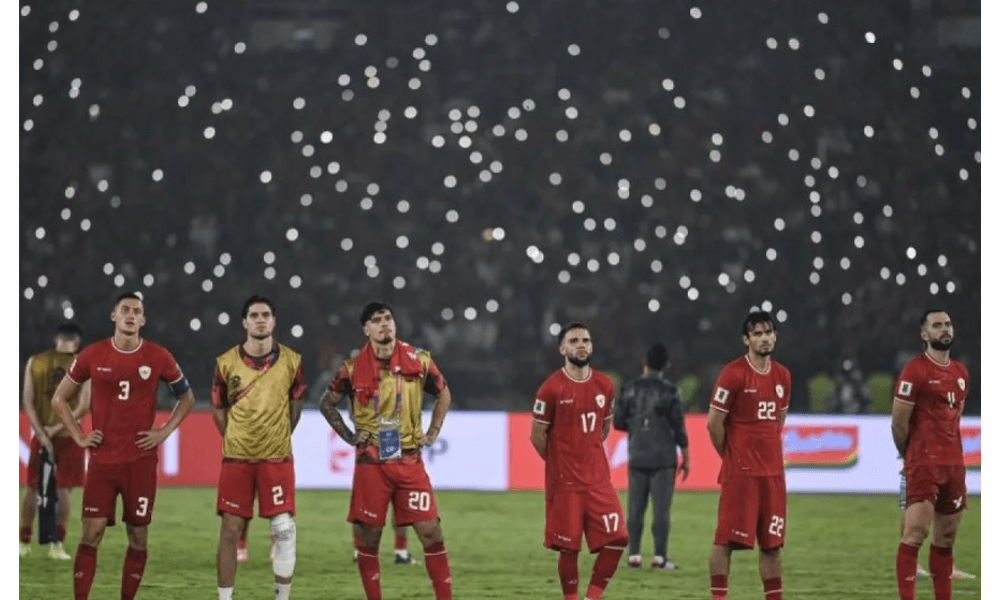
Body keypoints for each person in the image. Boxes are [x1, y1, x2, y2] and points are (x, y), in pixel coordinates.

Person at [50, 292, 195, 600]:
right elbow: (59, 399)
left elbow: (187, 397)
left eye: (137, 311)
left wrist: (164, 431)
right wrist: (79, 435)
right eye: (125, 310)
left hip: (140, 462)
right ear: (114, 316)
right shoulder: (92, 354)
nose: (131, 315)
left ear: (143, 320)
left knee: (138, 537)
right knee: (92, 532)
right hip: (102, 462)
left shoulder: (158, 356)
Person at [319, 301, 454, 600]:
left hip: (409, 462)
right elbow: (326, 403)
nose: (385, 324)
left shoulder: (418, 360)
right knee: (369, 539)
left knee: (431, 532)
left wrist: (432, 432)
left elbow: (444, 392)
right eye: (377, 320)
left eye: (388, 318)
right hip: (372, 463)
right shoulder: (351, 370)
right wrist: (350, 436)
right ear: (367, 330)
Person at [212, 295, 306, 600]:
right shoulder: (225, 363)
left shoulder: (293, 361)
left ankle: (282, 597)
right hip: (237, 459)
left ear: (274, 320)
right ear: (245, 322)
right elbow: (218, 408)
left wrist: (278, 435)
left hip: (276, 458)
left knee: (283, 529)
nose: (260, 319)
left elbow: (296, 405)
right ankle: (225, 598)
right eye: (254, 315)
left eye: (266, 314)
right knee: (230, 530)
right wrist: (236, 437)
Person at [530, 321, 628, 600]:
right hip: (566, 483)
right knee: (569, 548)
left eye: (585, 340)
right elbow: (537, 436)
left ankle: (592, 596)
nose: (581, 345)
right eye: (573, 341)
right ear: (562, 348)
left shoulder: (604, 384)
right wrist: (560, 463)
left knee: (618, 539)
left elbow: (604, 428)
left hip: (598, 480)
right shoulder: (551, 388)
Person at [706, 310, 791, 600]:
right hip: (741, 474)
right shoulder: (733, 373)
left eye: (768, 332)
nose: (764, 338)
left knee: (772, 544)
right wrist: (731, 456)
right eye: (757, 333)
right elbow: (713, 423)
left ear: (775, 336)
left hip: (773, 475)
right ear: (746, 340)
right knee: (725, 540)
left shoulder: (783, 376)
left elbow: (778, 422)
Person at [891, 309, 971, 600]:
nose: (944, 329)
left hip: (953, 466)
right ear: (924, 334)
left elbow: (955, 420)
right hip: (924, 464)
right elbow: (899, 422)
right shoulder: (915, 370)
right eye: (937, 325)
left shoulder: (961, 373)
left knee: (946, 540)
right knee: (914, 535)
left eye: (948, 324)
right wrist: (911, 456)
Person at [613, 342, 690, 571]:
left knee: (635, 508)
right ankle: (659, 558)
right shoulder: (671, 391)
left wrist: (637, 428)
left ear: (644, 363)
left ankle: (634, 556)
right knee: (661, 510)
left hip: (637, 454)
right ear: (666, 365)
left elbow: (617, 421)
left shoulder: (629, 388)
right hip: (664, 457)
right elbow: (679, 427)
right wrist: (686, 457)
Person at [20, 322, 92, 560]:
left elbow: (27, 401)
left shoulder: (35, 361)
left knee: (32, 487)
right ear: (78, 342)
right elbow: (83, 407)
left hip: (41, 435)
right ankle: (57, 545)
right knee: (64, 491)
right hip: (70, 436)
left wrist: (41, 432)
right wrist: (56, 428)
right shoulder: (83, 365)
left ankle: (23, 542)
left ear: (56, 339)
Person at [898, 470, 974, 579]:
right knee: (913, 512)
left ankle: (947, 566)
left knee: (948, 514)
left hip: (948, 470)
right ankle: (912, 563)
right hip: (917, 469)